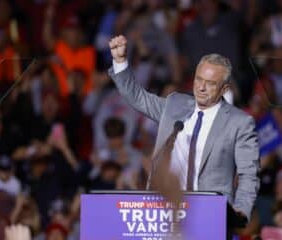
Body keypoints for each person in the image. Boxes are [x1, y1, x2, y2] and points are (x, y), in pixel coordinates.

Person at [108, 35, 260, 225]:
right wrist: (120, 62)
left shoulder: (240, 122)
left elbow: (249, 174)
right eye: (199, 79)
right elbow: (138, 98)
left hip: (209, 214)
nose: (201, 88)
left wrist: (241, 211)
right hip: (163, 209)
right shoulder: (174, 104)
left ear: (224, 89)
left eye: (211, 83)